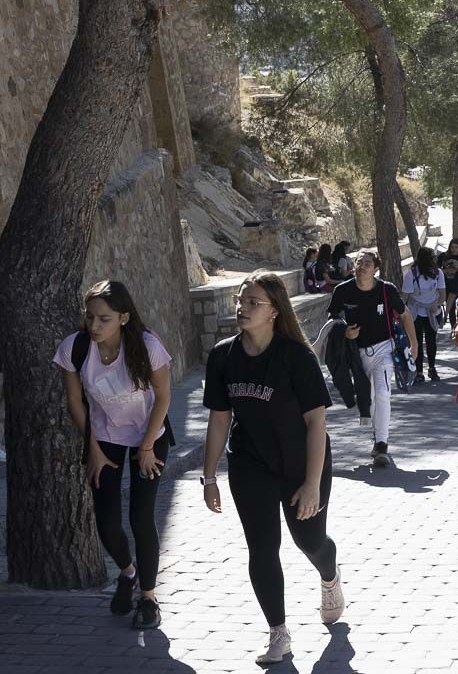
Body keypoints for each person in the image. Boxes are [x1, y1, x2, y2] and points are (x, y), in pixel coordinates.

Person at [200, 271, 344, 665]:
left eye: (253, 302)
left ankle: (329, 576)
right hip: (250, 464)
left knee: (309, 540)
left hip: (302, 465)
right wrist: (209, 475)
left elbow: (317, 423)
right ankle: (278, 633)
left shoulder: (296, 357)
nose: (243, 308)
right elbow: (219, 418)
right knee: (262, 548)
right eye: (241, 300)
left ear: (274, 311)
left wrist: (312, 483)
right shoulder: (223, 356)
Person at [54, 281, 172, 629]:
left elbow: (164, 398)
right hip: (103, 438)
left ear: (123, 317)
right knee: (106, 523)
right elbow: (75, 402)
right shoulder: (75, 348)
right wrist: (90, 447)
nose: (94, 326)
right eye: (89, 317)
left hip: (149, 436)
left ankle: (148, 598)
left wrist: (147, 447)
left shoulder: (147, 346)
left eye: (103, 319)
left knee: (140, 518)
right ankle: (127, 572)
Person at [328, 251, 417, 465]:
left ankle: (382, 445)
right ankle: (377, 438)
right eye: (359, 262)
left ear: (375, 268)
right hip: (356, 355)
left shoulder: (386, 290)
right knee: (369, 397)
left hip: (383, 349)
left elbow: (404, 314)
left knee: (382, 392)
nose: (362, 266)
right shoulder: (343, 290)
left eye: (367, 263)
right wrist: (345, 332)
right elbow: (332, 319)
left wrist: (414, 345)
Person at [402, 246, 447, 384]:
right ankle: (419, 372)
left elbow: (442, 294)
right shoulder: (411, 274)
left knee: (431, 341)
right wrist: (401, 313)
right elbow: (405, 296)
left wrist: (438, 305)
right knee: (417, 343)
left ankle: (432, 368)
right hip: (415, 312)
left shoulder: (438, 273)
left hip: (431, 312)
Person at [443, 256, 458, 332]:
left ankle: (457, 328)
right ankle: (453, 328)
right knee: (451, 310)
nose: (451, 271)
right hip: (448, 290)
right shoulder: (443, 273)